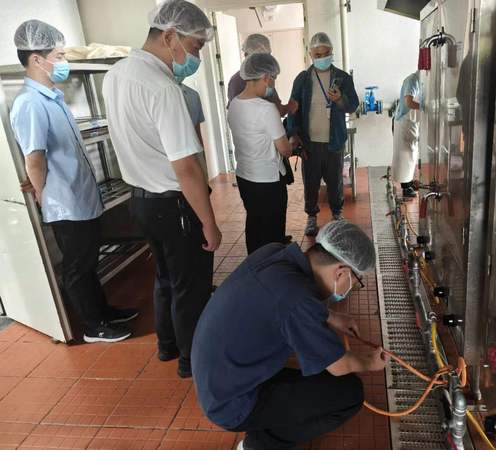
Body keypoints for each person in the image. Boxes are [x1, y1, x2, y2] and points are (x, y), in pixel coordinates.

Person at [192, 220, 388, 450]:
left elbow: (285, 298)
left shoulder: (276, 252)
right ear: (341, 272)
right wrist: (370, 362)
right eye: (356, 281)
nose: (351, 288)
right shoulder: (298, 301)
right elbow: (339, 365)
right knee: (349, 394)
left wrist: (332, 317)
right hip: (231, 403)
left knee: (317, 380)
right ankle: (259, 445)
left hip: (219, 376)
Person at [102, 0, 221, 378]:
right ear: (170, 36)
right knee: (191, 286)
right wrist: (209, 223)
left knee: (166, 278)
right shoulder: (164, 88)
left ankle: (167, 346)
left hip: (140, 200)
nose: (195, 56)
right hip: (173, 205)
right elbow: (186, 167)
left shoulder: (116, 74)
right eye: (196, 46)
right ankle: (192, 360)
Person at [9, 20, 138, 343]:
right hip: (64, 202)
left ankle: (103, 312)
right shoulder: (29, 103)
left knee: (89, 261)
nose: (64, 61)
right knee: (78, 268)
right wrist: (43, 196)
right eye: (59, 55)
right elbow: (34, 158)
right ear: (37, 59)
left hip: (79, 197)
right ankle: (93, 327)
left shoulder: (52, 98)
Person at [287, 32, 360, 237]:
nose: (321, 58)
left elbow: (353, 105)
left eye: (325, 54)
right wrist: (293, 133)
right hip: (309, 142)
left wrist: (340, 99)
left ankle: (337, 214)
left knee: (335, 181)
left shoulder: (343, 78)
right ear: (310, 54)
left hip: (334, 141)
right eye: (317, 55)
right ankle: (311, 217)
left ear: (331, 52)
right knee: (311, 183)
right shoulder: (303, 79)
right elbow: (293, 109)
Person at [228, 53, 293, 255]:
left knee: (254, 223)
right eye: (273, 79)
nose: (273, 85)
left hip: (245, 177)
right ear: (265, 77)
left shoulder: (233, 105)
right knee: (273, 231)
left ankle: (255, 263)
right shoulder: (266, 109)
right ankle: (272, 266)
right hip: (268, 180)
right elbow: (284, 149)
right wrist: (291, 143)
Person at [227, 33, 297, 117]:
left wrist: (288, 107)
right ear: (247, 56)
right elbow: (238, 116)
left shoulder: (266, 78)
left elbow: (277, 108)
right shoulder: (237, 82)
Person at [391, 71, 422, 198]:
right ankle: (406, 187)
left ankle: (408, 183)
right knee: (405, 156)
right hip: (405, 121)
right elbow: (409, 102)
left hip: (411, 121)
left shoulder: (421, 81)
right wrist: (426, 107)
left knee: (411, 155)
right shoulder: (413, 80)